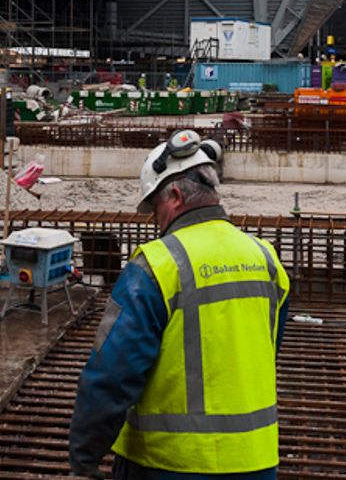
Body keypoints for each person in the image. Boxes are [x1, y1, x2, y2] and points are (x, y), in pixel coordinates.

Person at [69, 130, 290, 479]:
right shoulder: (265, 258)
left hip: (167, 462)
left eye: (155, 208)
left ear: (173, 195)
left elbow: (113, 374)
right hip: (256, 461)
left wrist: (84, 456)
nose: (156, 221)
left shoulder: (158, 264)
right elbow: (261, 350)